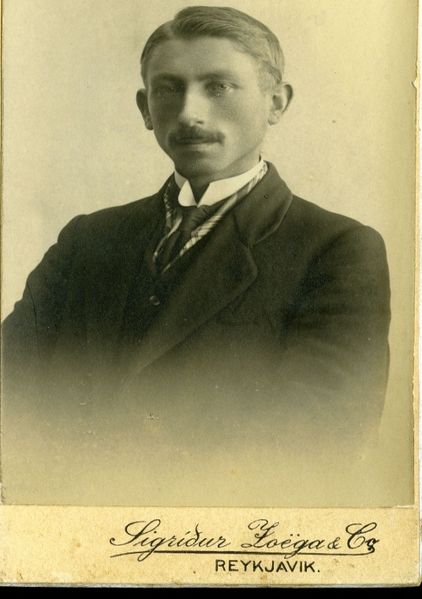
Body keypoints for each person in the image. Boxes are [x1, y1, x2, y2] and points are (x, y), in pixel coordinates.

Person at [2, 6, 391, 502]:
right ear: (145, 108)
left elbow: (319, 442)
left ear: (276, 102)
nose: (189, 113)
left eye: (219, 86)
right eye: (168, 89)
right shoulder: (87, 240)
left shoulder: (334, 249)